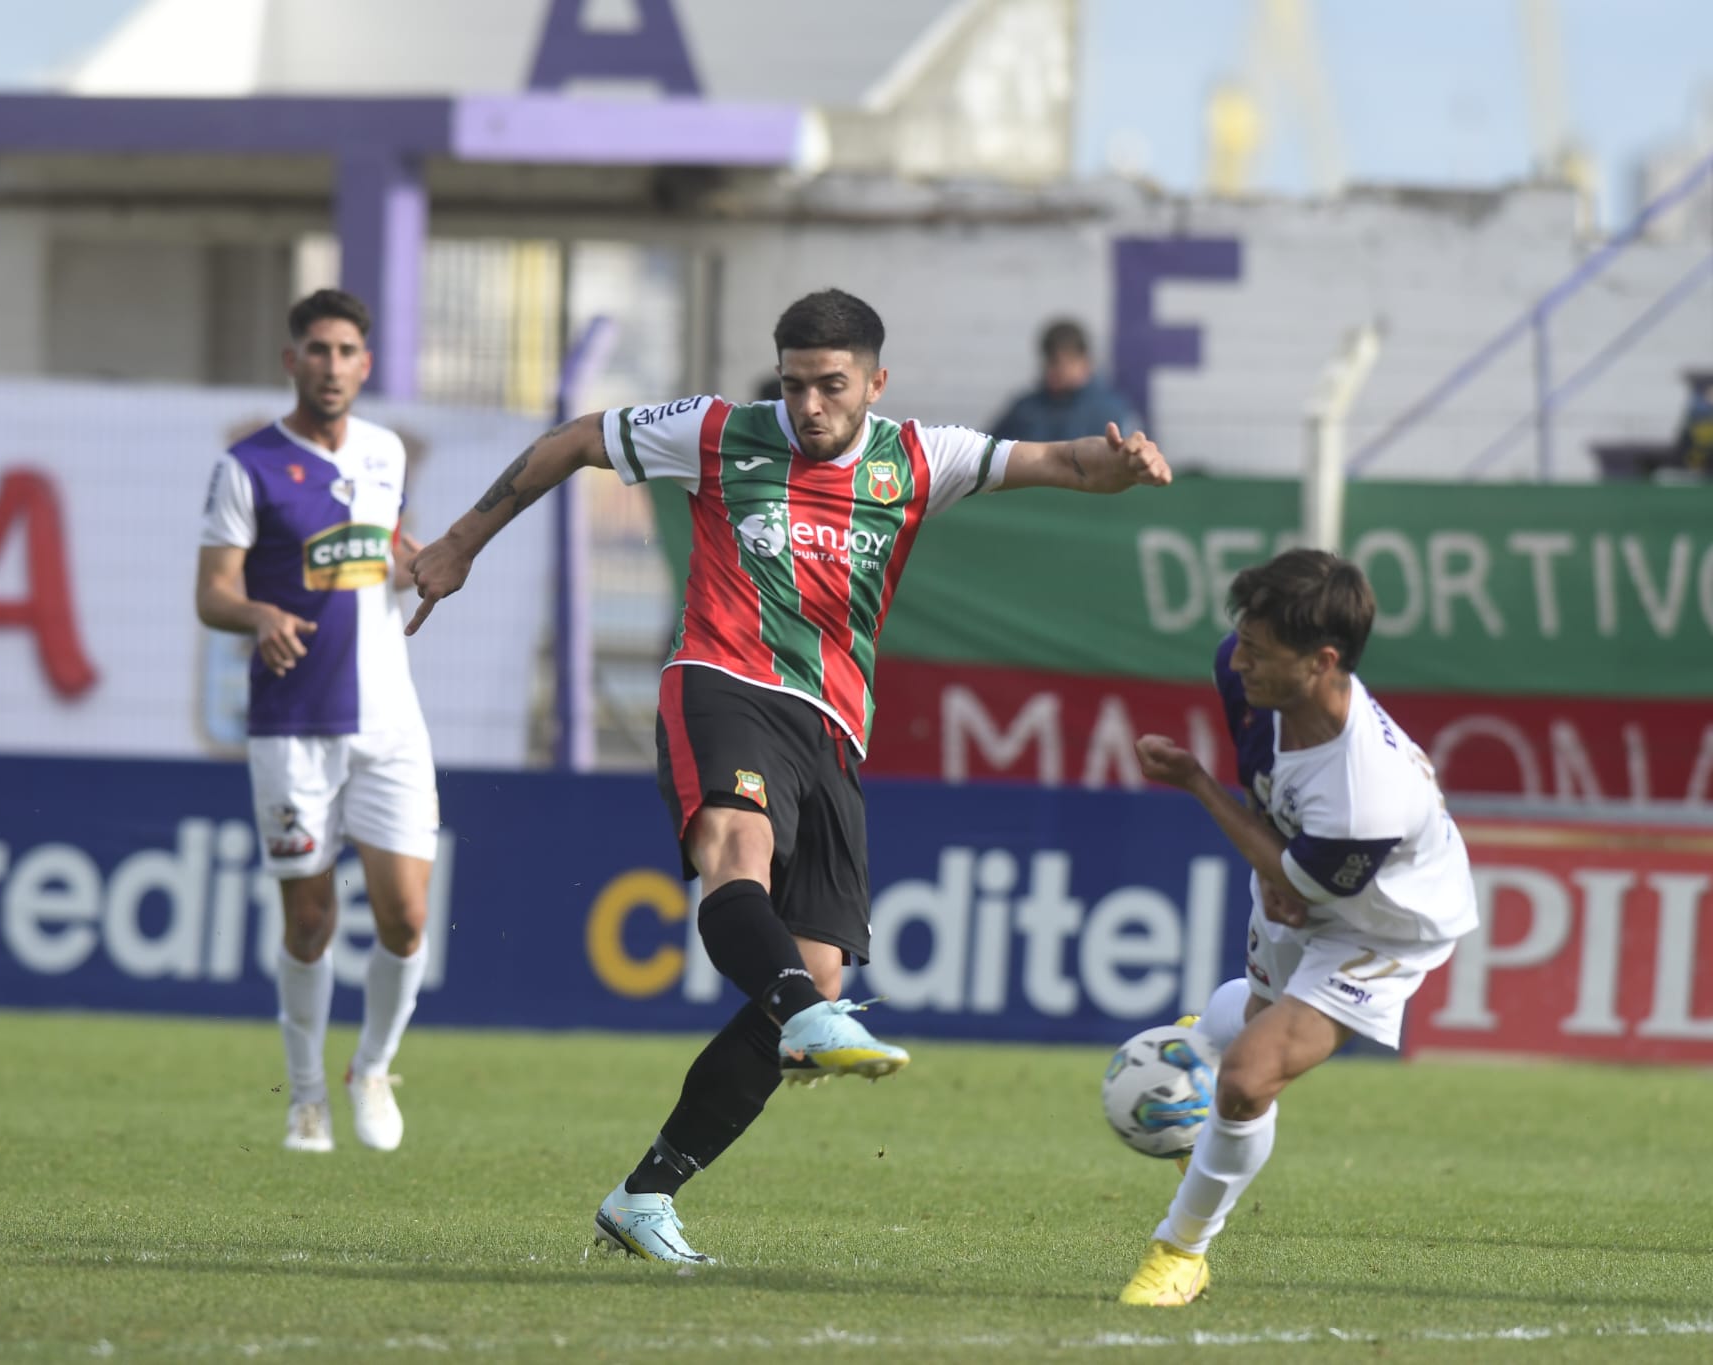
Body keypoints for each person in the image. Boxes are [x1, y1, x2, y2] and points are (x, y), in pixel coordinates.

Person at [406, 288, 1172, 1263]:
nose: (808, 406)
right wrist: (460, 544)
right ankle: (806, 1023)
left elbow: (1066, 462)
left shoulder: (914, 458)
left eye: (830, 386)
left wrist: (1121, 466)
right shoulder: (718, 432)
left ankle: (645, 1196)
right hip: (722, 682)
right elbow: (574, 438)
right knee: (738, 855)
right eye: (793, 384)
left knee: (810, 974)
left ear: (874, 384)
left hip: (833, 726)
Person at [1119, 548, 1478, 1306]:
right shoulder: (1242, 675)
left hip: (1385, 928)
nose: (1238, 658)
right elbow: (1286, 852)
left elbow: (1300, 876)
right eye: (1242, 638)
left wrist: (1193, 782)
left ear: (1321, 661)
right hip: (1304, 874)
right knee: (1244, 1033)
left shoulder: (1366, 790)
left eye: (1259, 649)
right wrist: (1282, 868)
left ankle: (1180, 1252)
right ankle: (1211, 1044)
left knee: (1249, 1081)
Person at [195, 288, 440, 1156]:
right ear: (291, 360)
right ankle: (305, 1096)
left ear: (365, 365)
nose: (332, 365)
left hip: (389, 723)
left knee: (407, 917)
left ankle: (370, 1068)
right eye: (317, 350)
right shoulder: (248, 466)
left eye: (347, 351)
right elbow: (212, 590)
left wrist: (424, 563)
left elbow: (388, 551)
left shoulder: (383, 453)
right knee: (309, 922)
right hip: (293, 724)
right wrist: (258, 615)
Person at [988, 318, 1140, 444]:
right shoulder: (1025, 410)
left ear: (1085, 361)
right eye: (1051, 361)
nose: (1056, 370)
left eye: (1064, 362)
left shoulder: (1112, 411)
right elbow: (989, 457)